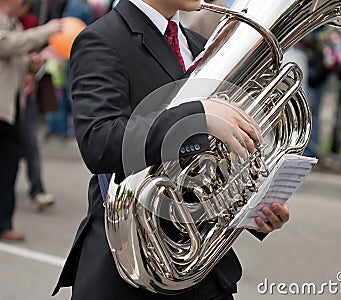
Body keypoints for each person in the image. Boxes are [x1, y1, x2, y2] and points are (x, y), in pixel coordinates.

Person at [52, 0, 290, 299]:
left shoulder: (200, 45)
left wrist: (252, 209)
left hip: (203, 267)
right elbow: (99, 142)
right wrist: (195, 117)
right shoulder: (101, 38)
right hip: (132, 264)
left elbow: (216, 157)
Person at [0, 0, 61, 241]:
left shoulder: (14, 24)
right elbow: (7, 45)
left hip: (12, 110)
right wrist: (48, 30)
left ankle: (4, 223)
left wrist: (32, 62)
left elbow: (15, 58)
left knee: (8, 170)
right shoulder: (7, 26)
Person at [16, 0, 56, 212]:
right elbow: (14, 43)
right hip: (8, 98)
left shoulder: (32, 20)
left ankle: (37, 189)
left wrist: (36, 61)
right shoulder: (7, 24)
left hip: (27, 93)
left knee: (30, 142)